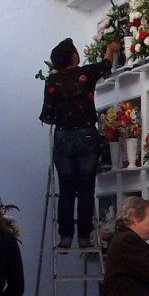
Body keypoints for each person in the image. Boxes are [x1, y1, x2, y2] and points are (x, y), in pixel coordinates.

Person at [39, 37, 120, 249]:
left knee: (66, 189)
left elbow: (47, 115)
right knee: (86, 187)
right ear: (73, 56)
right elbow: (105, 66)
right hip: (86, 135)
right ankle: (84, 236)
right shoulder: (85, 75)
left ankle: (65, 236)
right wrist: (110, 48)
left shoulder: (52, 82)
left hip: (63, 137)